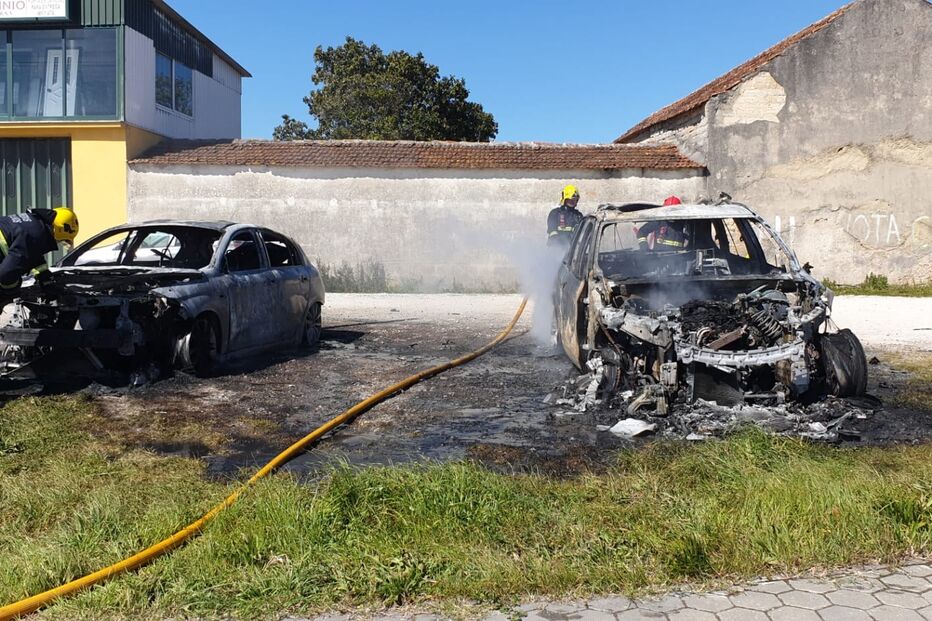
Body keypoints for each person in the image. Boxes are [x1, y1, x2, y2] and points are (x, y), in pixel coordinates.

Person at [0, 207, 79, 295]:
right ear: (60, 229)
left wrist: (44, 275)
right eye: (62, 240)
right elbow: (6, 273)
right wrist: (14, 288)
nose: (59, 243)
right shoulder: (37, 236)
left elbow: (33, 253)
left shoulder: (35, 223)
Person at [547, 185, 583, 249]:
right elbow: (552, 233)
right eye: (570, 200)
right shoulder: (555, 214)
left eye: (575, 200)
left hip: (573, 251)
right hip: (556, 249)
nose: (573, 202)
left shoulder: (579, 216)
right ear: (565, 199)